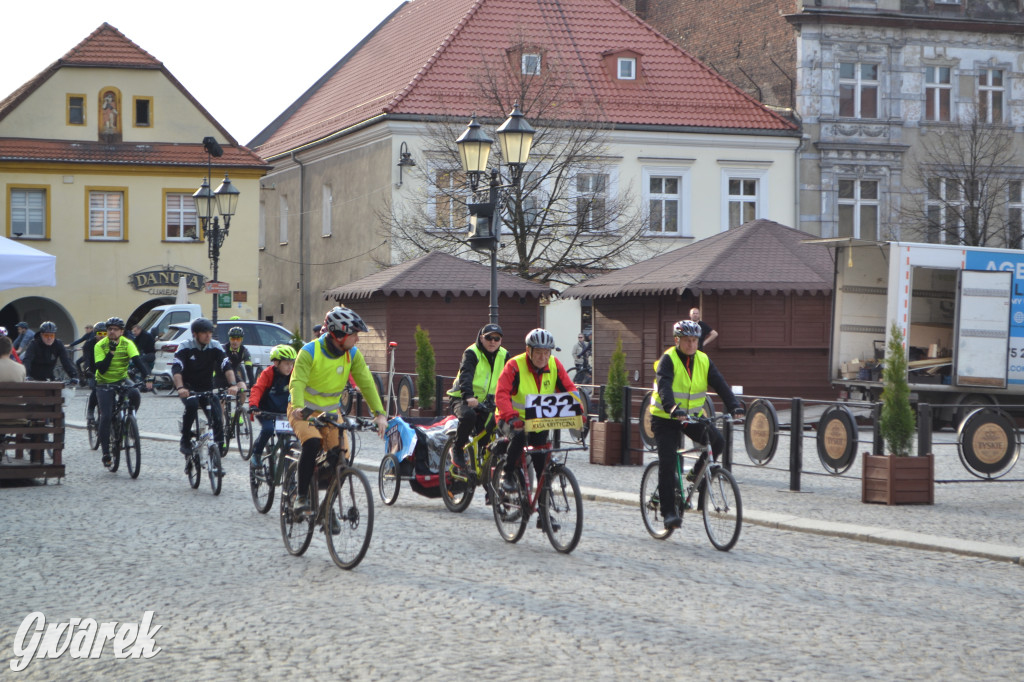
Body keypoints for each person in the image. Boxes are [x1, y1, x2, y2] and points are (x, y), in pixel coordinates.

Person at [288, 307, 387, 514]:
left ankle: (326, 509)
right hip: (304, 411)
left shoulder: (352, 354)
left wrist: (379, 414)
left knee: (341, 458)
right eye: (354, 335)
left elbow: (366, 383)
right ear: (339, 335)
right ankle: (301, 495)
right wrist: (297, 406)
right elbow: (297, 382)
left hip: (332, 412)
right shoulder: (309, 351)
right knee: (312, 442)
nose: (357, 339)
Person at [650, 319, 743, 531]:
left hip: (691, 417)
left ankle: (696, 474)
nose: (692, 344)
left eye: (694, 340)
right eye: (687, 340)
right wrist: (672, 408)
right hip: (665, 418)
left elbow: (719, 383)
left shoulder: (703, 360)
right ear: (677, 340)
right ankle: (669, 513)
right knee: (668, 463)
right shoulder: (668, 359)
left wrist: (734, 405)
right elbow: (664, 386)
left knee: (717, 442)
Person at [495, 328, 582, 528]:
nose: (543, 357)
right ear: (529, 351)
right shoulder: (514, 366)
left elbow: (569, 389)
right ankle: (507, 473)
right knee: (518, 437)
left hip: (538, 421)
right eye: (539, 352)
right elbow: (501, 394)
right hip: (510, 418)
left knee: (543, 468)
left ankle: (544, 515)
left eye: (547, 352)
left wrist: (579, 411)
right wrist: (511, 417)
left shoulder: (554, 365)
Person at [172, 318, 239, 462]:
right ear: (195, 334)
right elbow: (177, 368)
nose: (208, 335)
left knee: (217, 416)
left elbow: (226, 365)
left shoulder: (215, 346)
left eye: (210, 332)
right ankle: (185, 439)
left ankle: (218, 449)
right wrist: (180, 388)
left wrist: (233, 384)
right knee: (191, 405)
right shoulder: (185, 346)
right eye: (204, 333)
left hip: (207, 388)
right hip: (188, 388)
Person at [93, 317, 152, 466]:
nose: (112, 332)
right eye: (109, 329)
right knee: (106, 416)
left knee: (135, 394)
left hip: (121, 379)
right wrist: (111, 352)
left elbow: (137, 360)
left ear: (121, 332)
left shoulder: (127, 343)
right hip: (104, 382)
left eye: (115, 329)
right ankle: (106, 453)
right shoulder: (100, 345)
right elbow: (102, 369)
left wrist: (147, 376)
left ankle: (130, 422)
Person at [448, 323, 508, 468]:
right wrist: (468, 396)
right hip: (462, 397)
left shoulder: (504, 355)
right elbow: (466, 375)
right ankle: (457, 448)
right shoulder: (472, 352)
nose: (492, 341)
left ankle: (485, 469)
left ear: (500, 340)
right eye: (489, 338)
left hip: (487, 401)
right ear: (481, 338)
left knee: (493, 426)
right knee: (469, 416)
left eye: (496, 338)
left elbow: (510, 379)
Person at [249, 344, 296, 461]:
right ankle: (256, 454)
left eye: (292, 363)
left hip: (284, 411)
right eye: (286, 363)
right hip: (265, 410)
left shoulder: (294, 374)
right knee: (268, 429)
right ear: (276, 363)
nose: (290, 367)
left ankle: (288, 465)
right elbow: (257, 389)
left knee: (289, 436)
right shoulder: (268, 373)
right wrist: (254, 405)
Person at [82, 321, 107, 423]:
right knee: (96, 389)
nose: (102, 336)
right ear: (95, 334)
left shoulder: (110, 344)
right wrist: (87, 369)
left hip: (106, 372)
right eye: (100, 333)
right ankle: (90, 410)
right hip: (93, 371)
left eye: (104, 333)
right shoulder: (89, 344)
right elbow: (87, 359)